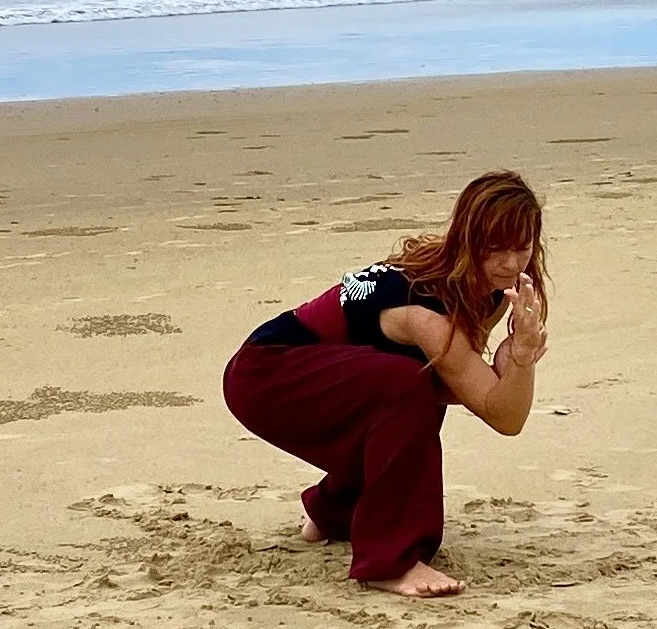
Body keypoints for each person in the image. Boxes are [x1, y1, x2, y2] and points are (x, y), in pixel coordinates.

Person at [222, 169, 551, 597]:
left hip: (325, 369)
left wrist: (512, 363)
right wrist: (517, 363)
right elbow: (504, 416)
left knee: (417, 388)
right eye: (495, 249)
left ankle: (335, 513)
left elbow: (472, 389)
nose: (510, 263)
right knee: (407, 385)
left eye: (521, 247)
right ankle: (390, 561)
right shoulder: (425, 313)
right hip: (266, 372)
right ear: (468, 241)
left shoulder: (498, 287)